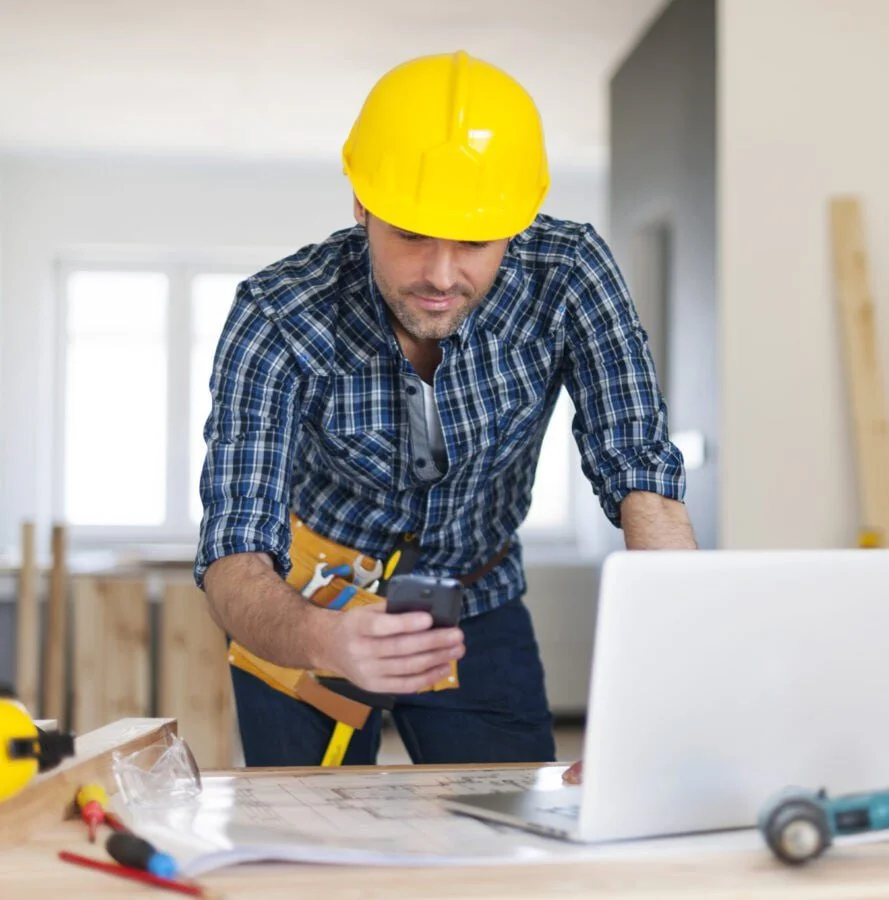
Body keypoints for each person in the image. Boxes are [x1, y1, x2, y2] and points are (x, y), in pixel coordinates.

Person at [195, 50, 696, 773]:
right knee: (303, 844)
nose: (439, 275)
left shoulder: (570, 273)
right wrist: (320, 638)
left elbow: (641, 471)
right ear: (361, 203)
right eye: (409, 234)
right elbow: (233, 550)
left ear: (516, 223)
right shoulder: (277, 313)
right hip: (309, 599)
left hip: (477, 594)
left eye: (472, 243)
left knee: (514, 837)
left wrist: (670, 687)